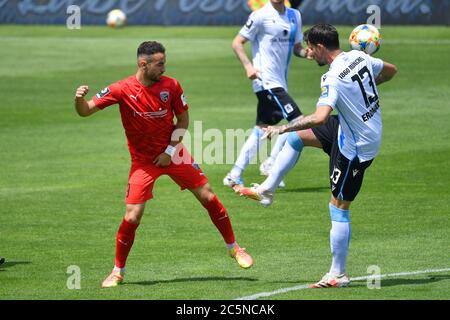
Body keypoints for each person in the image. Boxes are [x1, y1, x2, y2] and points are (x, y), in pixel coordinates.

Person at [74, 41, 253, 288]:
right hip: (143, 162)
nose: (164, 68)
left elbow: (183, 119)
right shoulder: (121, 89)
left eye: (164, 63)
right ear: (142, 64)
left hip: (175, 153)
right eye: (159, 64)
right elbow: (86, 111)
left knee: (208, 196)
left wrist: (169, 152)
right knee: (133, 216)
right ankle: (117, 271)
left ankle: (234, 248)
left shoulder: (171, 85)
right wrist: (79, 100)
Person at [241, 24, 397, 287]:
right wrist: (366, 91)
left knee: (338, 207)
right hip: (349, 126)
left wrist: (282, 127)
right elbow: (391, 71)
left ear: (322, 47)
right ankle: (267, 189)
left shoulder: (332, 77)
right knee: (298, 137)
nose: (310, 54)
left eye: (312, 49)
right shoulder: (359, 56)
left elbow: (320, 116)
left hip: (358, 145)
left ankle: (338, 274)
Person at [223, 0, 311, 190]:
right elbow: (237, 42)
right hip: (265, 80)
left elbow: (296, 48)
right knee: (299, 122)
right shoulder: (260, 15)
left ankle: (235, 174)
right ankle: (271, 163)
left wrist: (307, 53)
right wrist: (248, 66)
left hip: (280, 82)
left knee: (262, 128)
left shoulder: (295, 15)